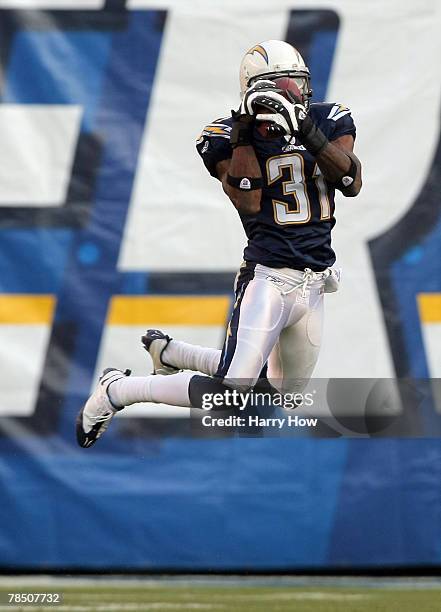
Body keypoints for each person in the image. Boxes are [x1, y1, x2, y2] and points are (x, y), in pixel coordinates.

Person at [76, 40, 362, 448]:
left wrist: (306, 131)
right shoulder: (226, 136)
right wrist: (248, 129)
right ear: (256, 89)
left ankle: (172, 354)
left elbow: (351, 181)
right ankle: (117, 391)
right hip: (269, 279)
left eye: (298, 82)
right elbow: (246, 198)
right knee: (230, 394)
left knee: (282, 394)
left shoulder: (329, 119)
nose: (296, 92)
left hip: (314, 282)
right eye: (284, 84)